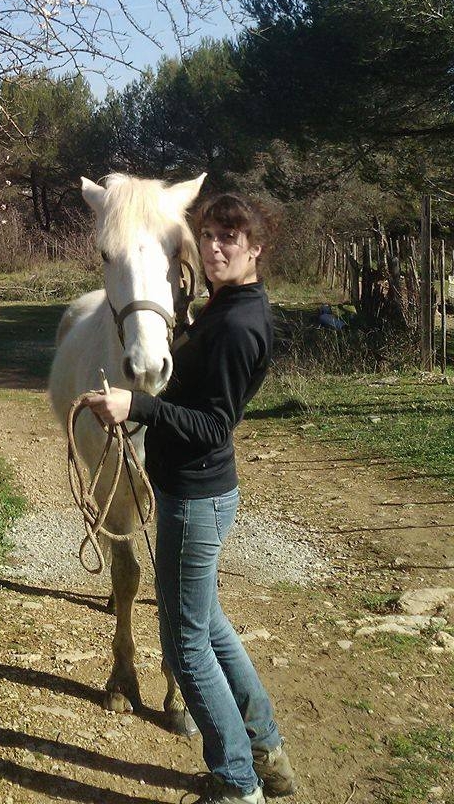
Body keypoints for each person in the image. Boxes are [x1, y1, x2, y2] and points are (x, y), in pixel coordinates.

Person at [81, 193, 297, 804]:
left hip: (195, 496)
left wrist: (138, 405)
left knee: (185, 645)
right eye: (208, 236)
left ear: (256, 248)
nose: (216, 247)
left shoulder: (237, 326)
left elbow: (212, 425)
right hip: (203, 490)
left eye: (231, 238)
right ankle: (266, 749)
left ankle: (237, 781)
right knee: (211, 626)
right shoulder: (227, 306)